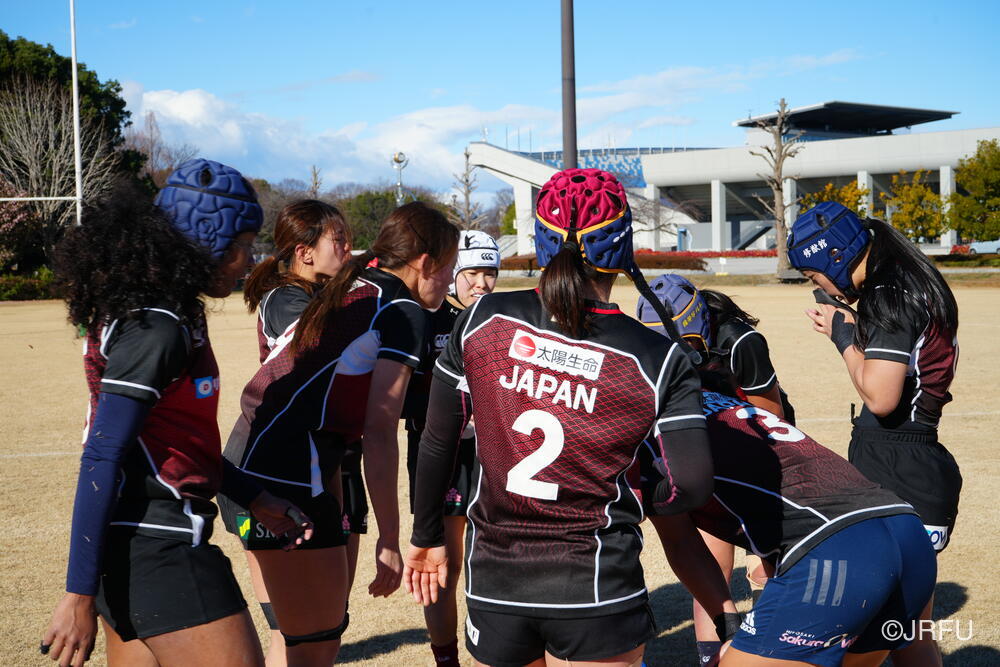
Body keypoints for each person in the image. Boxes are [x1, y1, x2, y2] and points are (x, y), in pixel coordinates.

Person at [404, 168, 737, 667]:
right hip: (597, 582)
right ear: (620, 246)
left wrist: (427, 535)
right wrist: (632, 486)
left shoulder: (480, 321)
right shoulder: (657, 357)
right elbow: (690, 485)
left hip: (496, 582)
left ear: (542, 241)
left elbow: (437, 441)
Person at [41, 160, 313, 667]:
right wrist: (77, 594)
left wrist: (254, 497)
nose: (247, 259)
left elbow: (173, 444)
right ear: (206, 242)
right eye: (241, 244)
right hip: (159, 548)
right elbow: (102, 455)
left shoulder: (170, 312)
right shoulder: (159, 327)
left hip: (132, 549)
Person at [636, 283, 937, 667]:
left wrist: (729, 626)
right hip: (904, 528)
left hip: (836, 550)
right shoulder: (724, 399)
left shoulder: (651, 426)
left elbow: (682, 544)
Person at [219, 201, 459, 665]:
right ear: (426, 262)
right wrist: (390, 538)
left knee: (306, 639)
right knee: (312, 645)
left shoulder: (358, 284)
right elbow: (379, 431)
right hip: (281, 474)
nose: (450, 282)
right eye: (449, 268)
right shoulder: (401, 310)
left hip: (263, 463)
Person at [787, 201, 962, 666]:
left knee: (868, 639)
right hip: (914, 463)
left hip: (898, 467)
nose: (817, 285)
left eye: (812, 275)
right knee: (912, 634)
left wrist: (844, 336)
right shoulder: (909, 277)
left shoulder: (889, 292)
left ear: (834, 258)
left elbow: (881, 397)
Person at [635, 275, 792, 664]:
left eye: (686, 344)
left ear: (700, 325)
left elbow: (772, 415)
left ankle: (771, 653)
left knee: (769, 568)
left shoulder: (741, 341)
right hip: (705, 456)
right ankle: (713, 659)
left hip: (759, 455)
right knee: (713, 574)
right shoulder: (648, 349)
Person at [240, 199, 353, 665]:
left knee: (318, 629)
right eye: (338, 241)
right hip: (281, 474)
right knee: (295, 635)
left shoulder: (315, 295)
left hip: (322, 465)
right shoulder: (288, 299)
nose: (348, 249)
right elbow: (324, 350)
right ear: (304, 253)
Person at [403, 230, 501, 666]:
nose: (481, 283)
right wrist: (451, 413)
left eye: (490, 273)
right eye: (472, 272)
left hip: (494, 455)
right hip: (441, 454)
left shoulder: (500, 321)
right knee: (447, 561)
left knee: (491, 559)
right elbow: (397, 399)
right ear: (453, 272)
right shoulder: (423, 319)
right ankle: (447, 660)